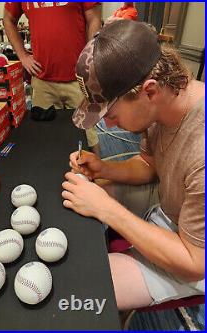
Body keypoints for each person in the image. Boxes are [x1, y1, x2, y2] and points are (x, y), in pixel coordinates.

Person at [62, 20, 205, 310]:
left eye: (111, 113)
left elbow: (195, 263)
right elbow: (148, 164)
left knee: (83, 288)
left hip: (194, 254)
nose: (106, 124)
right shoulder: (161, 106)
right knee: (90, 189)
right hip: (172, 209)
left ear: (149, 91)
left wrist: (106, 209)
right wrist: (103, 169)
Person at [3, 2, 102, 155]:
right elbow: (8, 19)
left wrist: (89, 58)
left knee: (88, 135)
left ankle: (96, 177)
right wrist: (22, 56)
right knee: (45, 138)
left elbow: (94, 18)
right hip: (43, 81)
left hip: (78, 79)